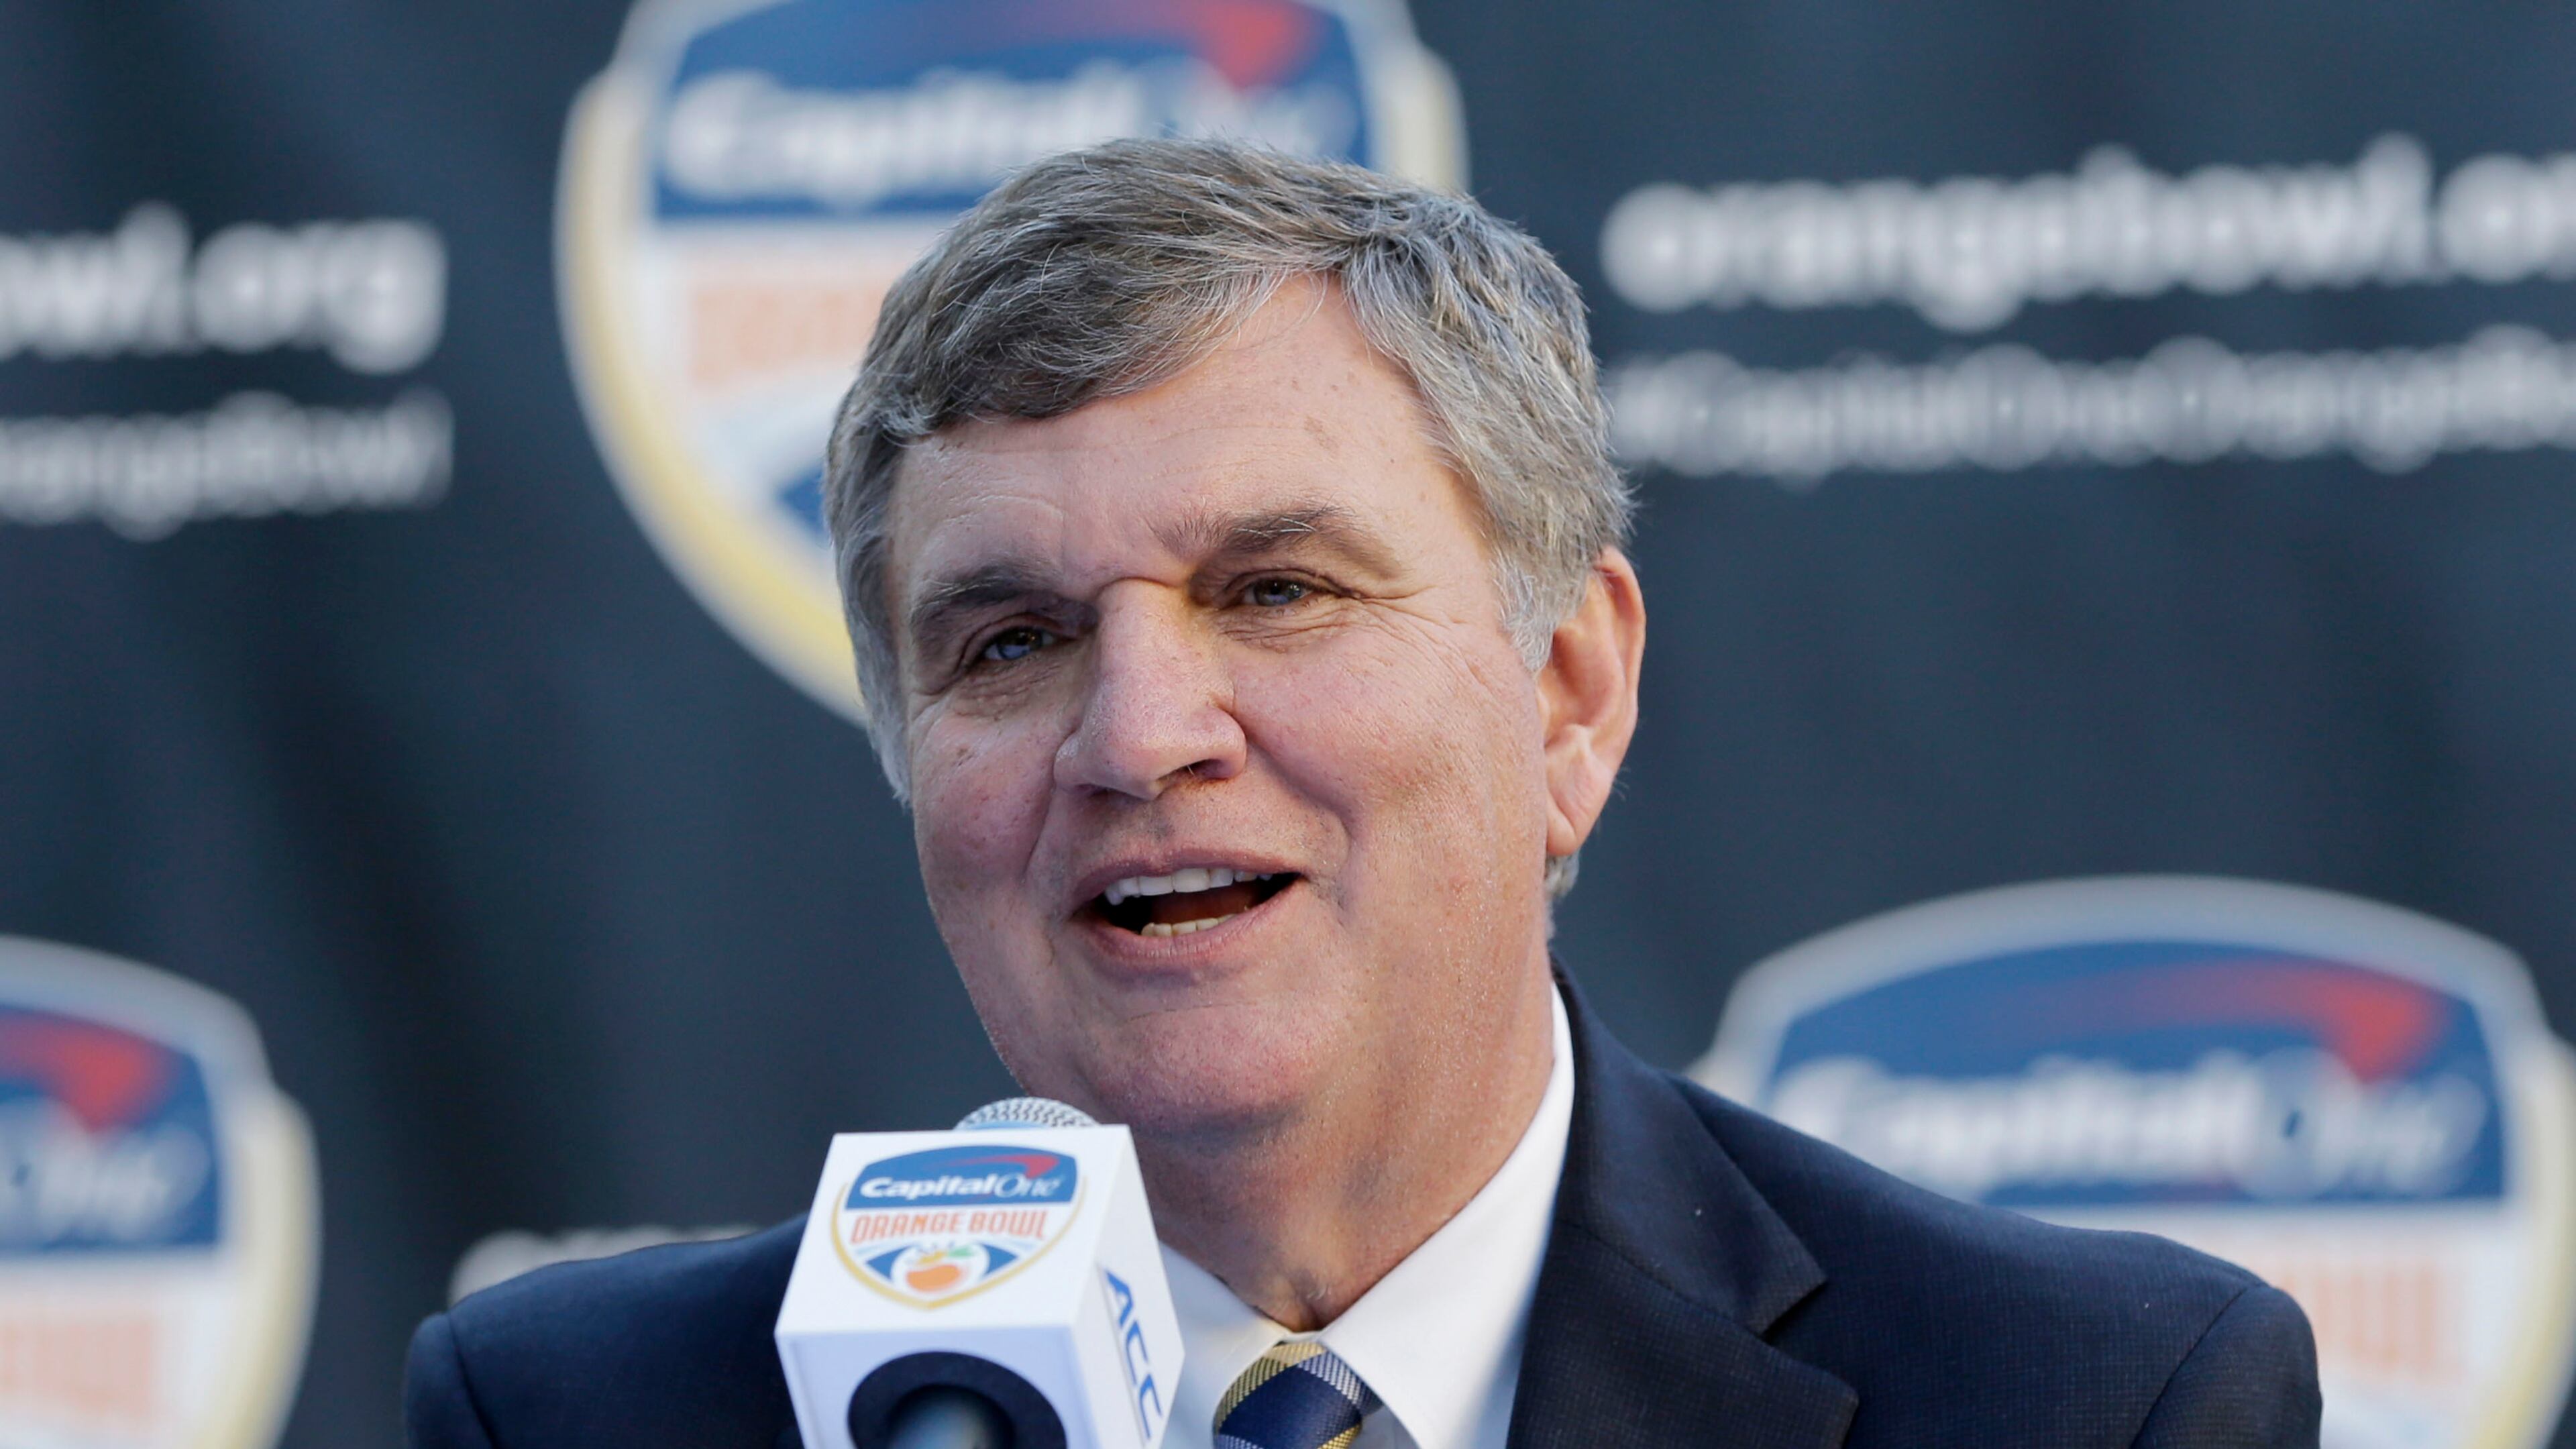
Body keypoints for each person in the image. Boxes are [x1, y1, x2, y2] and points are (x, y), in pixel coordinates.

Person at [405, 138, 2320, 1449]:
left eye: (1275, 592)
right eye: (1009, 642)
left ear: (1568, 691)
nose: (1141, 735)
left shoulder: (2085, 1400)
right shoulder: (579, 1409)